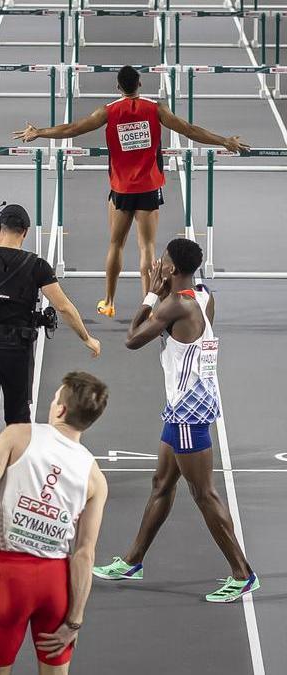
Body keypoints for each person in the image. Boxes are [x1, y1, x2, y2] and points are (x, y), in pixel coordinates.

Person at [92, 238, 258, 602]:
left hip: (187, 410)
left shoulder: (174, 305)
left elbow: (132, 338)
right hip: (190, 402)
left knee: (203, 493)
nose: (157, 266)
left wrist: (151, 296)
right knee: (161, 483)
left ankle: (242, 573)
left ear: (172, 269)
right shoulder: (203, 296)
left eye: (162, 262)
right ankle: (133, 560)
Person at [12, 65, 249, 318]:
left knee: (116, 245)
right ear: (140, 85)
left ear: (118, 87)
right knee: (147, 248)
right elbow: (189, 129)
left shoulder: (108, 111)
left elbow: (73, 129)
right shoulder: (156, 109)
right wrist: (224, 141)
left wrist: (39, 132)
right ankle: (147, 308)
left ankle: (109, 301)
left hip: (121, 189)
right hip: (148, 187)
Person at [0, 371, 110, 675]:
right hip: (55, 584)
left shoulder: (17, 435)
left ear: (61, 410)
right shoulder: (95, 478)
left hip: (9, 579)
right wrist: (74, 621)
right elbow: (84, 554)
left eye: (55, 398)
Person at [0, 204, 100, 485]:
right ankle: (20, 480)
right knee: (18, 419)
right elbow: (63, 307)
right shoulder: (36, 266)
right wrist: (86, 337)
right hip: (16, 353)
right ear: (25, 233)